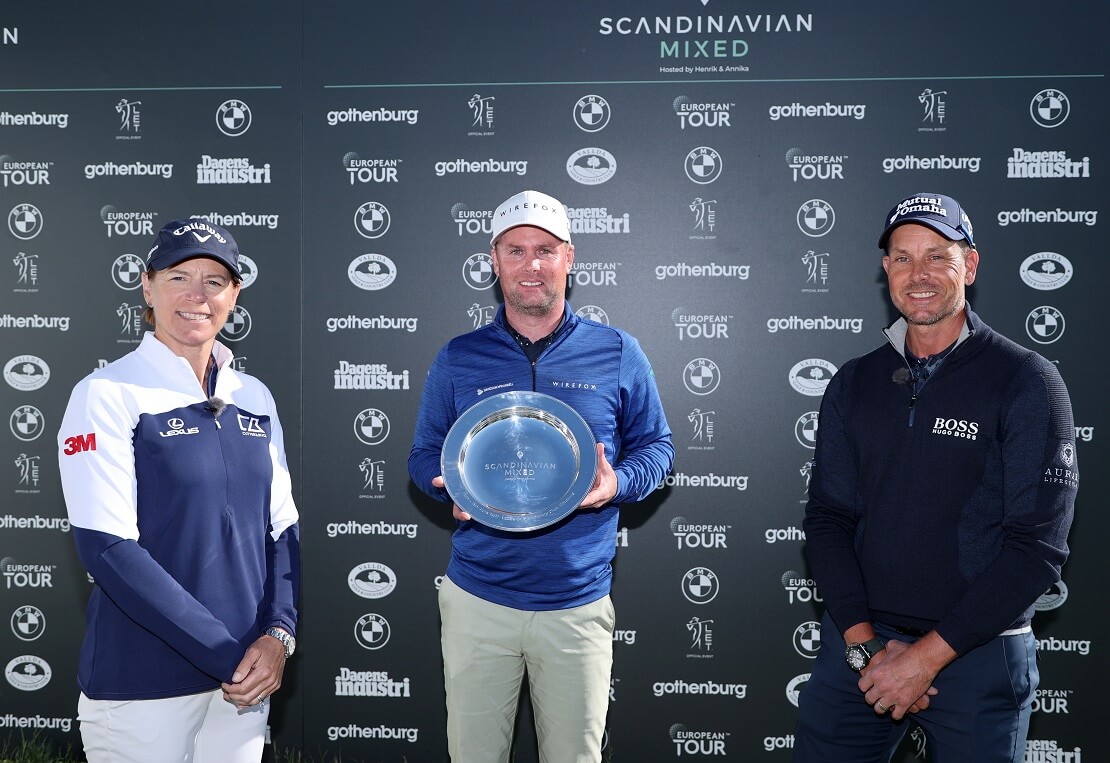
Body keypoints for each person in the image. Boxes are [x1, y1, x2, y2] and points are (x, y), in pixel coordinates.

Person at [794, 193, 1078, 762]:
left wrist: (923, 660)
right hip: (862, 649)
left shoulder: (1025, 381)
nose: (918, 274)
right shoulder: (853, 381)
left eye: (937, 256)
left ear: (969, 266)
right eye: (902, 258)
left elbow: (1036, 551)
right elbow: (827, 521)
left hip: (978, 655)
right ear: (886, 270)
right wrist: (865, 650)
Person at [408, 189, 674, 762]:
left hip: (577, 603)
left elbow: (657, 447)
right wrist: (447, 484)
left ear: (569, 258)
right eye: (516, 250)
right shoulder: (458, 356)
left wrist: (617, 485)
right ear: (494, 260)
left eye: (546, 250)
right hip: (478, 598)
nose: (532, 265)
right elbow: (423, 454)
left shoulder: (617, 351)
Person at [57, 218, 300, 763]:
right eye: (178, 276)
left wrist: (277, 636)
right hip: (143, 683)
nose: (197, 295)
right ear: (147, 286)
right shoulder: (105, 393)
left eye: (214, 281)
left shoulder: (254, 395)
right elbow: (109, 550)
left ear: (235, 293)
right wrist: (224, 653)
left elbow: (282, 528)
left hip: (241, 682)